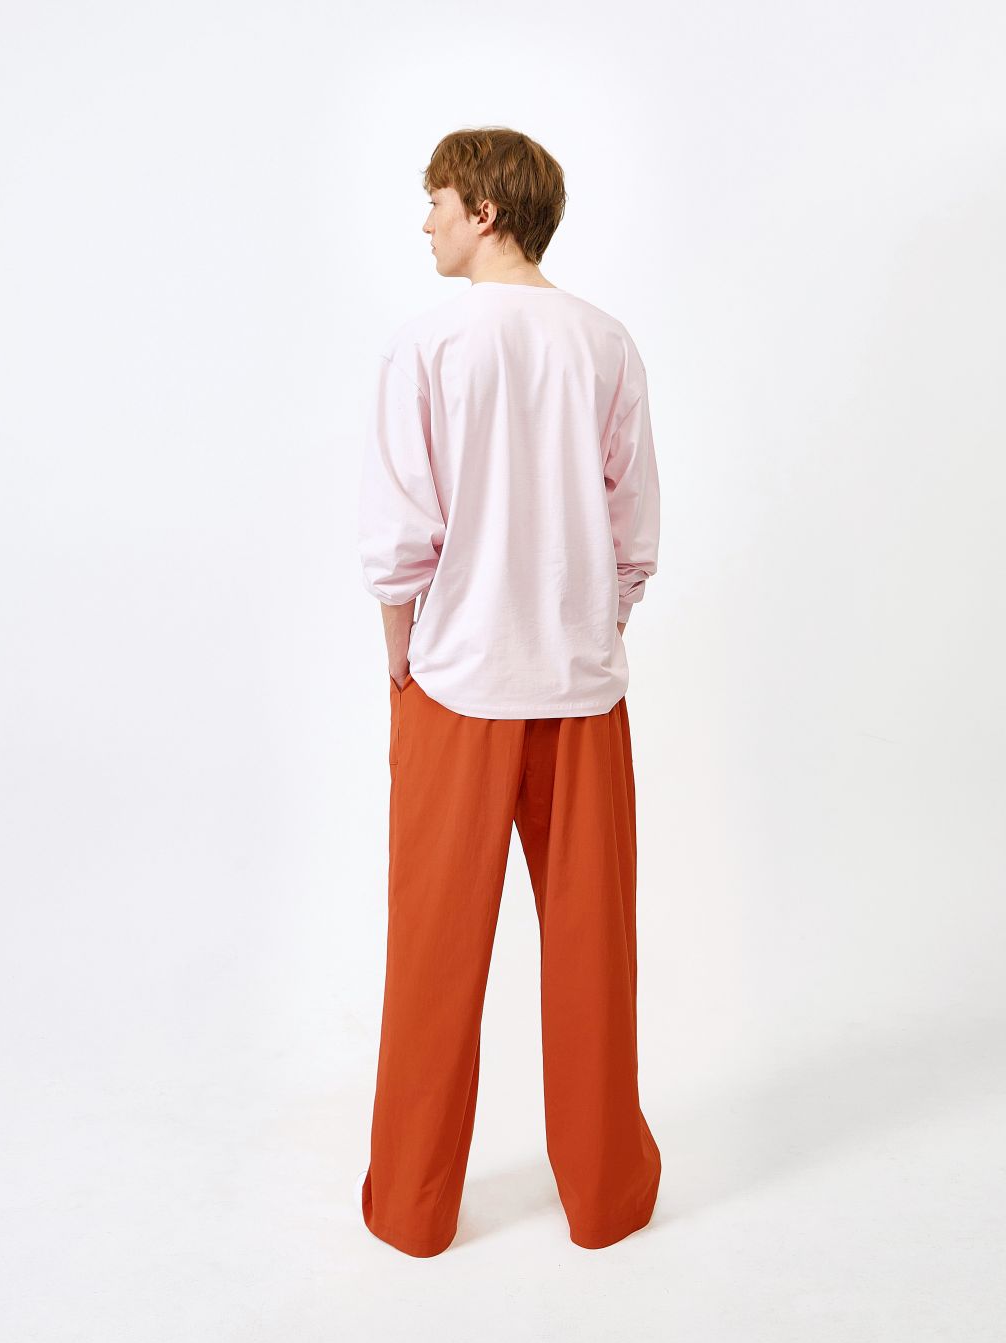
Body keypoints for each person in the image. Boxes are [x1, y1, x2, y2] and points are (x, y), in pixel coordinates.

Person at [355, 126, 662, 1257]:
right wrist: (588, 624)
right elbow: (632, 529)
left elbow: (401, 537)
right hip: (582, 691)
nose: (426, 220)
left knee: (431, 956)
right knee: (595, 954)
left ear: (484, 209)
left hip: (456, 689)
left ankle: (413, 1207)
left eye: (437, 199)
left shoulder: (429, 344)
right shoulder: (605, 342)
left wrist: (400, 659)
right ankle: (607, 1199)